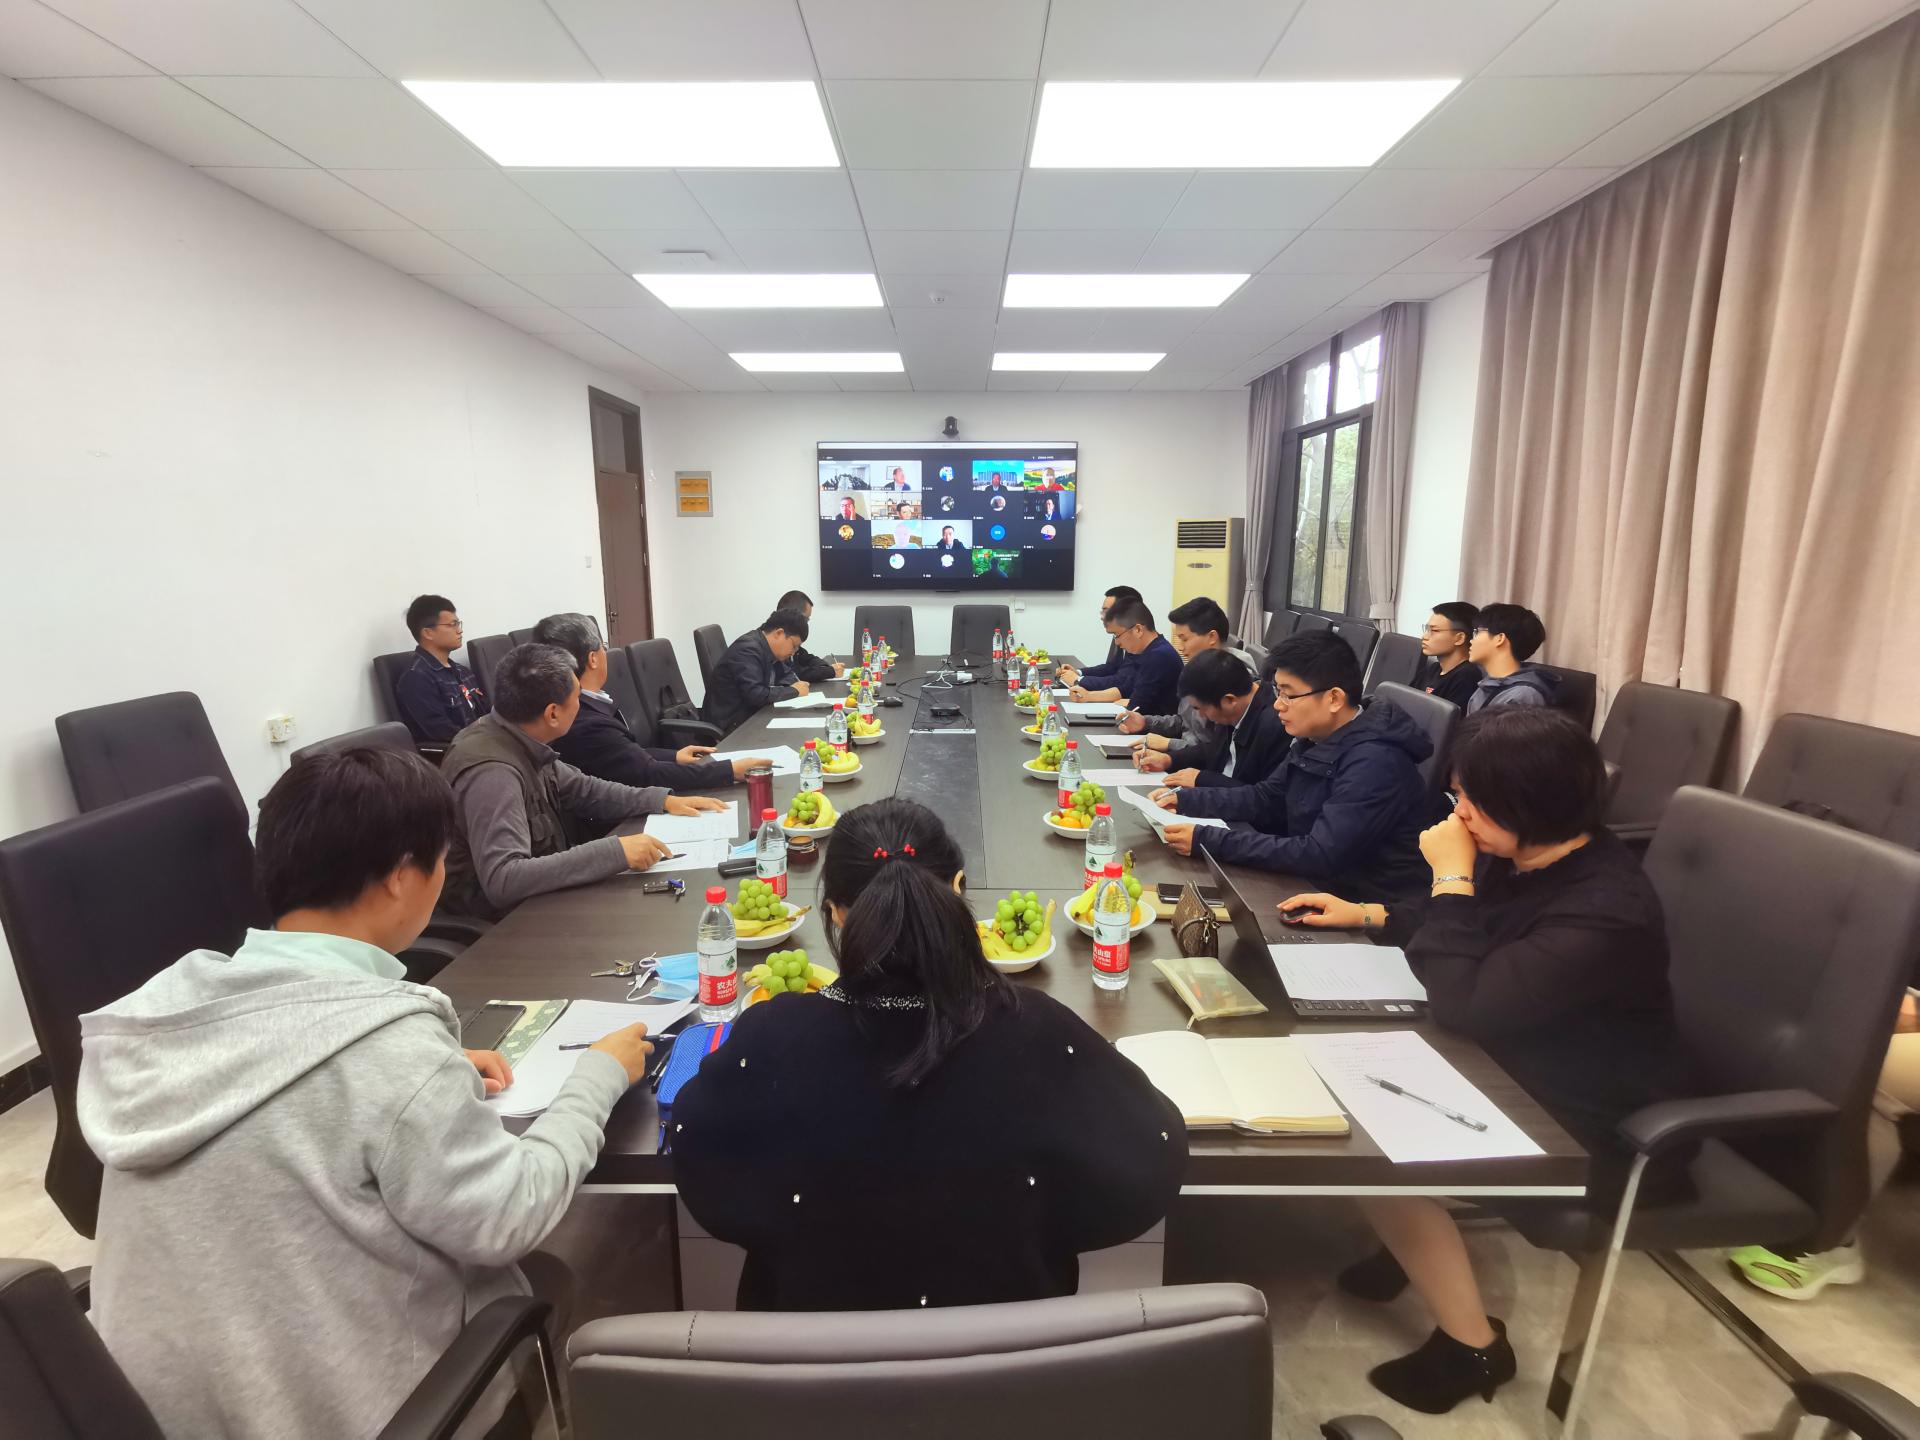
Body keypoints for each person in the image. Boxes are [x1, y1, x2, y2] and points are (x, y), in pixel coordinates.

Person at [77, 746, 658, 1440]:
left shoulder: (166, 1014)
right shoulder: (389, 1051)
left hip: (172, 1415)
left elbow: (300, 1084)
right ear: (400, 877)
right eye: (442, 861)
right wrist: (595, 1076)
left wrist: (428, 1073)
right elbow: (510, 1216)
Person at [1278, 708, 1687, 1413]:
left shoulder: (1606, 909)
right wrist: (1366, 913)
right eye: (1459, 795)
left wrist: (1451, 877)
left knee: (1368, 1137)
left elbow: (1468, 1001)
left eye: (1473, 801)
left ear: (1534, 808)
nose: (1459, 814)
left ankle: (1474, 1346)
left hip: (1593, 1124)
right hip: (1520, 1060)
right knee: (1333, 1054)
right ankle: (1413, 1248)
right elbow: (1470, 928)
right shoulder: (1529, 853)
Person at [670, 798, 1186, 1311]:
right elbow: (1149, 1163)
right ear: (958, 889)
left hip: (810, 1360)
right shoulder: (1039, 1029)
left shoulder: (772, 1037)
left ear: (835, 914)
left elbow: (700, 1163)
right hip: (1010, 1358)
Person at [439, 643, 725, 918]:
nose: (582, 704)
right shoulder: (493, 774)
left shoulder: (519, 735)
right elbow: (504, 879)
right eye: (577, 697)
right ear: (553, 713)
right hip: (504, 925)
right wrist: (615, 852)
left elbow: (582, 788)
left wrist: (661, 800)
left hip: (541, 901)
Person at [1154, 631, 1429, 899]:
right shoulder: (1315, 738)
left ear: (1334, 699)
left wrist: (1208, 840)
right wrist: (1186, 800)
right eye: (1277, 691)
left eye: (1288, 695)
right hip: (1314, 884)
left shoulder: (1376, 761)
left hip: (1362, 901)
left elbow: (1320, 853)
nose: (1277, 705)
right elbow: (1265, 797)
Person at [534, 612, 769, 794]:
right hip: (622, 818)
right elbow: (647, 773)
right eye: (604, 647)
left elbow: (619, 754)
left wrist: (673, 756)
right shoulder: (585, 719)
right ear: (593, 659)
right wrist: (729, 771)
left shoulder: (585, 705)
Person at [1122, 597, 1256, 772]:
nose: (1180, 647)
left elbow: (1216, 749)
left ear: (1212, 637)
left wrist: (1169, 744)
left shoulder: (1229, 682)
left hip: (1200, 768)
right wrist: (1145, 722)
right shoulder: (1198, 671)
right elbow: (1184, 720)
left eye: (1184, 639)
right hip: (1184, 758)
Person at [1134, 649, 1289, 791]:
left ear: (1229, 701)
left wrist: (1202, 779)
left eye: (1199, 708)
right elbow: (1212, 751)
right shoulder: (1233, 708)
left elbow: (1263, 796)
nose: (1200, 715)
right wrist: (1169, 759)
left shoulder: (1277, 725)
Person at [393, 593, 490, 743]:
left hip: (485, 742)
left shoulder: (462, 671)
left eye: (458, 624)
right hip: (462, 751)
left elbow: (487, 712)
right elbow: (443, 733)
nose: (459, 630)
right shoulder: (416, 678)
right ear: (428, 633)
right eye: (452, 625)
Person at [1059, 597, 1182, 714]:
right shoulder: (1147, 650)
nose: (1116, 642)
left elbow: (1137, 708)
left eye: (1117, 635)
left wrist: (1130, 702)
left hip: (1155, 727)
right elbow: (1125, 688)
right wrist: (1088, 696)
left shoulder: (1158, 656)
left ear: (1138, 630)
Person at [707, 607, 812, 736]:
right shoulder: (747, 650)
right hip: (732, 728)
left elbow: (786, 674)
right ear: (779, 633)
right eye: (794, 646)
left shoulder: (768, 648)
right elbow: (756, 694)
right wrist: (794, 691)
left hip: (751, 717)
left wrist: (796, 685)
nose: (794, 652)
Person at [1466, 603, 1554, 712]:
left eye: (1477, 632)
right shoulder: (1489, 683)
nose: (1471, 640)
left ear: (1499, 639)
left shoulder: (1523, 696)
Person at [1417, 602, 1483, 710]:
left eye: (1434, 630)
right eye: (1427, 629)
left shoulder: (1466, 677)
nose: (1424, 637)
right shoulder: (1433, 669)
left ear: (1459, 638)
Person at [775, 590, 844, 682]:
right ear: (793, 616)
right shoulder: (778, 642)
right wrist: (830, 671)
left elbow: (808, 658)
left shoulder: (792, 638)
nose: (806, 624)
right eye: (806, 619)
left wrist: (826, 667)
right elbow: (796, 674)